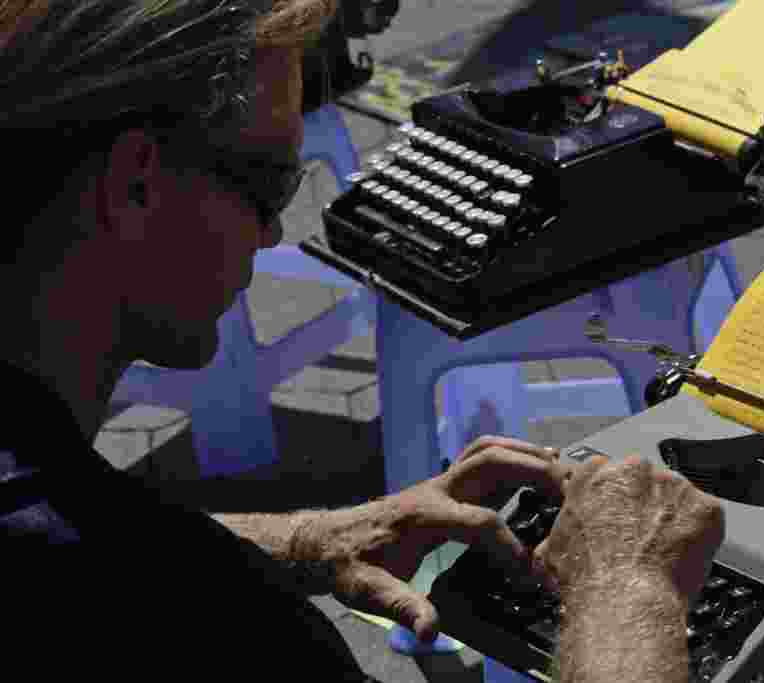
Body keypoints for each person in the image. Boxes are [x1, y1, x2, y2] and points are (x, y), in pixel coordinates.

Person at [0, 2, 724, 681]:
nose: (273, 231)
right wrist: (628, 591)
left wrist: (311, 539)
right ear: (135, 184)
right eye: (272, 182)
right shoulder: (220, 628)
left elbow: (94, 527)